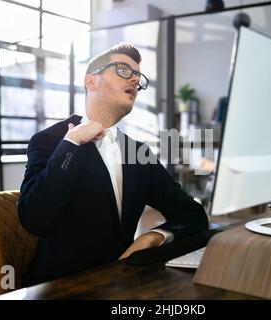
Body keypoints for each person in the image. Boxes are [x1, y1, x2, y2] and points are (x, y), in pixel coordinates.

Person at [18, 43, 208, 286]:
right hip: (60, 288)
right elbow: (34, 219)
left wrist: (153, 236)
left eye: (138, 77)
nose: (135, 81)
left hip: (122, 281)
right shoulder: (49, 141)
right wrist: (71, 143)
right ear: (91, 81)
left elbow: (192, 214)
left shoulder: (138, 152)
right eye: (124, 70)